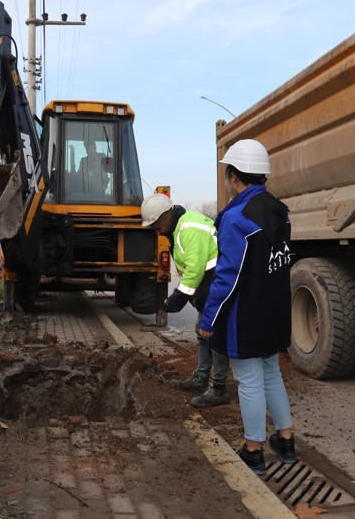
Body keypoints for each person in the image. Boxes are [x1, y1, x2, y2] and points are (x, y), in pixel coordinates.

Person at [198, 139, 298, 475]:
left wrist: (209, 319)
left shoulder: (238, 216)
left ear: (233, 176)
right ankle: (285, 442)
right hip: (275, 309)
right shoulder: (279, 211)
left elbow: (227, 276)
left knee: (249, 380)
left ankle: (253, 451)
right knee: (271, 372)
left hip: (246, 314)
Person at [140, 192, 230, 408]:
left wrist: (176, 299)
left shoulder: (188, 228)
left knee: (214, 335)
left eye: (156, 226)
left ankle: (218, 388)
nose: (156, 232)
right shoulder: (179, 226)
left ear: (164, 219)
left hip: (216, 283)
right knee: (202, 332)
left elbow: (195, 270)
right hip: (210, 283)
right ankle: (201, 377)